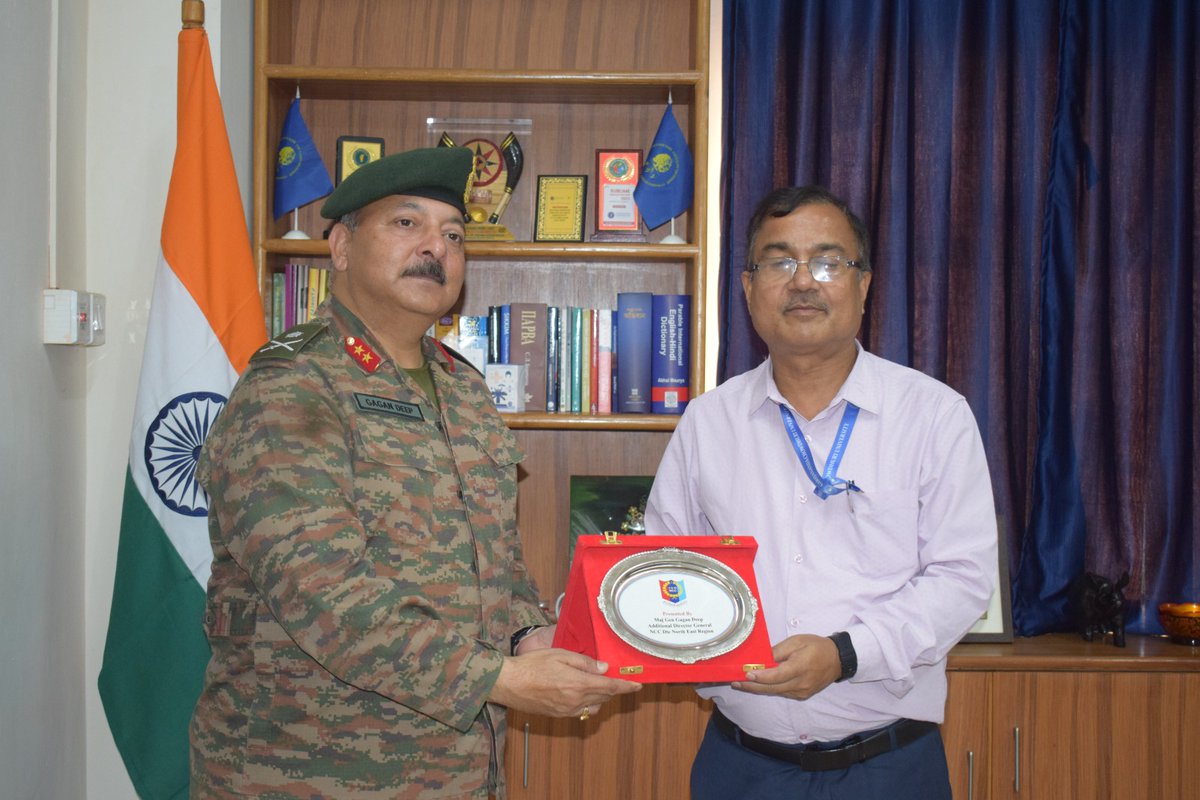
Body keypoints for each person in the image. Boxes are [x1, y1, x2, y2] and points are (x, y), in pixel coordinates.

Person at [190, 146, 641, 799]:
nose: (437, 246)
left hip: (454, 775)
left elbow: (495, 565)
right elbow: (326, 598)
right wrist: (503, 681)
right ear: (341, 247)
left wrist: (529, 634)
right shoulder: (292, 388)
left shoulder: (463, 389)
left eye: (454, 234)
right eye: (407, 224)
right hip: (308, 775)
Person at [643, 186, 997, 800]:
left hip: (888, 767)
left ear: (864, 286)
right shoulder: (708, 421)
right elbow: (665, 564)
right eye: (779, 262)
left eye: (828, 262)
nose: (803, 281)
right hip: (740, 766)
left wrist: (844, 655)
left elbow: (961, 577)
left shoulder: (935, 414)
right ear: (749, 288)